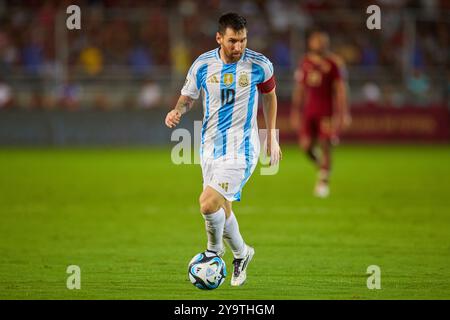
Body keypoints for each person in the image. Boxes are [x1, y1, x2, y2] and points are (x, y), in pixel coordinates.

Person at [165, 12, 281, 286]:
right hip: (210, 147)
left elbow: (270, 97)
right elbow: (188, 97)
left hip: (241, 148)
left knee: (208, 203)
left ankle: (213, 252)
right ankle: (242, 253)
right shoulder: (203, 65)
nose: (238, 47)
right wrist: (177, 111)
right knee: (223, 208)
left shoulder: (260, 65)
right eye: (232, 41)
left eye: (242, 40)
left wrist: (272, 135)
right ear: (219, 38)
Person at [291, 30, 350, 198]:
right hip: (310, 110)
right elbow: (300, 89)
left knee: (325, 144)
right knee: (305, 146)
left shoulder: (334, 63)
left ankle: (323, 182)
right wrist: (296, 111)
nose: (320, 44)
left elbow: (340, 89)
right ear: (310, 43)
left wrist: (343, 112)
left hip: (327, 111)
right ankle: (322, 167)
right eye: (317, 41)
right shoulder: (305, 62)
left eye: (323, 41)